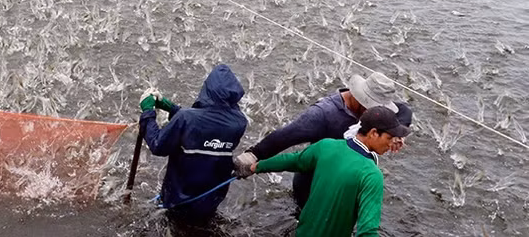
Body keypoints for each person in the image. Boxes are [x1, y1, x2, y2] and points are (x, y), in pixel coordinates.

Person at [234, 72, 412, 208]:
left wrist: (397, 135)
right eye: (372, 107)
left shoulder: (374, 114)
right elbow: (285, 136)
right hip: (314, 185)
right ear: (359, 98)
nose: (375, 113)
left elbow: (404, 111)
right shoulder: (323, 114)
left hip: (345, 183)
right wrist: (253, 155)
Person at [250, 106, 411, 237]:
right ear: (374, 133)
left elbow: (292, 160)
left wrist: (257, 166)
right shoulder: (371, 175)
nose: (392, 143)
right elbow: (367, 232)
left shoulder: (326, 146)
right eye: (390, 138)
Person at [139, 64, 248, 219]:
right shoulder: (239, 122)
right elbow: (203, 126)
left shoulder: (186, 118)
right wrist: (171, 108)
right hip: (211, 199)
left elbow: (158, 145)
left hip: (179, 198)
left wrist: (148, 112)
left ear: (207, 90)